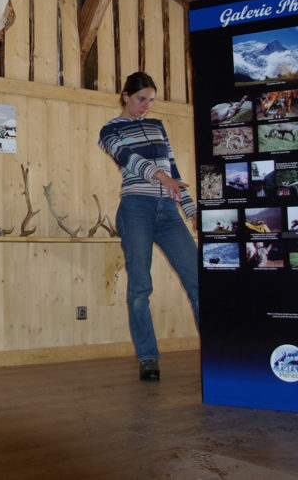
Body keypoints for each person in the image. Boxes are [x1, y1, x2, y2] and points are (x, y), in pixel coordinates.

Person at [98, 71, 200, 382]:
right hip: (136, 210)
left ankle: (221, 350)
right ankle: (148, 358)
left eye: (151, 101)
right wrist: (161, 177)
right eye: (141, 99)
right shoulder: (109, 130)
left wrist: (190, 208)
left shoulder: (157, 126)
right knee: (141, 287)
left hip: (168, 211)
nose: (146, 106)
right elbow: (129, 159)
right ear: (126, 96)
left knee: (197, 278)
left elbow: (174, 168)